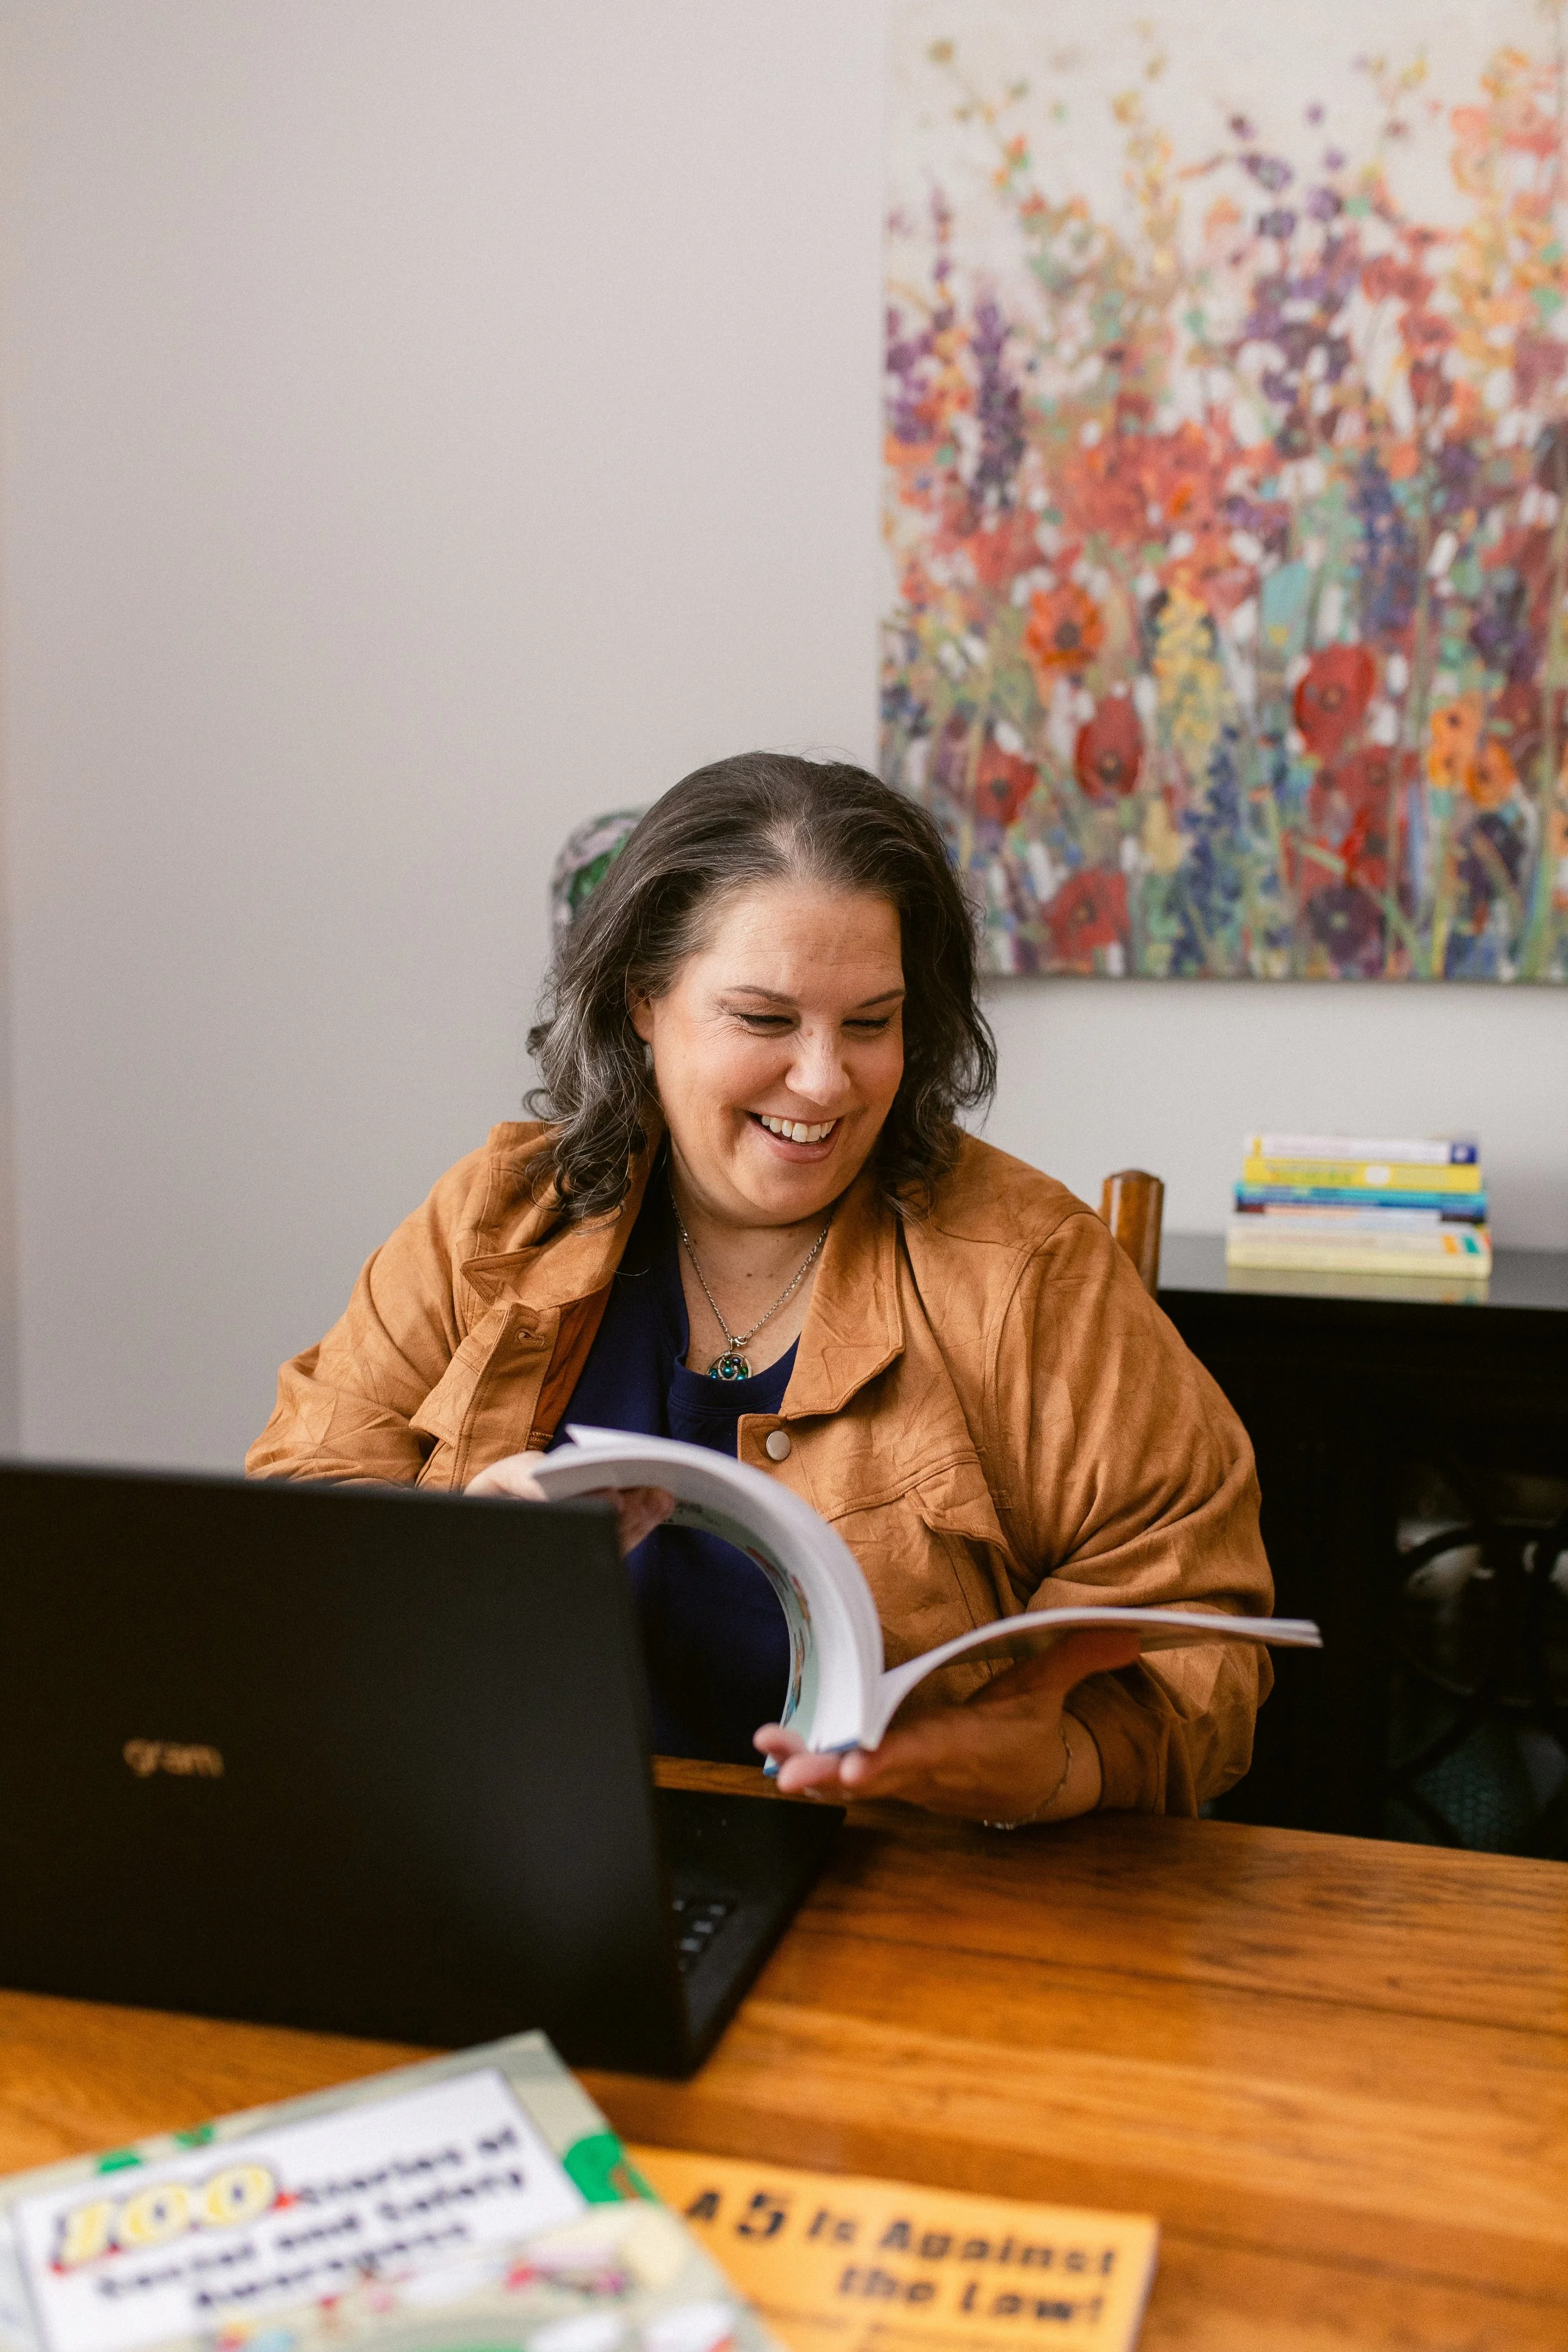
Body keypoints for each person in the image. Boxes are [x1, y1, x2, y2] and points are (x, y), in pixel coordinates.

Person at [249, 753, 1273, 1823]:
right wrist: (454, 1546)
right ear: (644, 999)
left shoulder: (1029, 1267)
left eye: (871, 1022)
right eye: (767, 1020)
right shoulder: (497, 1218)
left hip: (915, 1889)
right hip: (514, 1839)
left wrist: (1056, 1764)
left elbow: (1202, 1631)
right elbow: (295, 1518)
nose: (826, 1080)